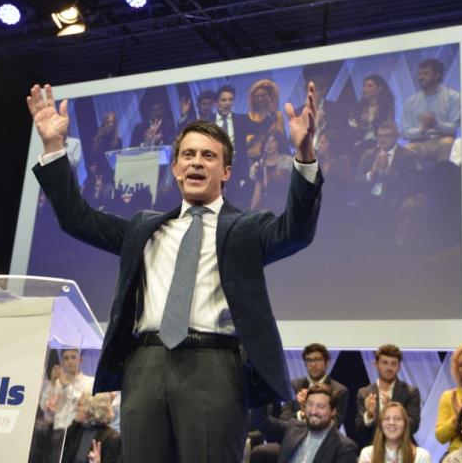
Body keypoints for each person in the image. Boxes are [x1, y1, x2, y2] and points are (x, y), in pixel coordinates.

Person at [25, 82, 323, 463]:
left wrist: (304, 153)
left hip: (214, 367)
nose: (197, 162)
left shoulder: (248, 227)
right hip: (145, 365)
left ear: (226, 170)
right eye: (188, 155)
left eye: (208, 156)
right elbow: (76, 218)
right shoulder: (144, 227)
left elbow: (296, 230)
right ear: (177, 167)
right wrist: (53, 148)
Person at [250, 384, 359, 463]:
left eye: (320, 406)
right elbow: (261, 421)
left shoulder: (344, 447)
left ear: (333, 411)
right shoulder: (293, 428)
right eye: (310, 405)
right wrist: (262, 392)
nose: (313, 411)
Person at [355, 344, 423, 448]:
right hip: (374, 448)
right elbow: (360, 431)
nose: (389, 368)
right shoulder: (364, 393)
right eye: (384, 363)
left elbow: (414, 426)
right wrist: (369, 415)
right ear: (376, 364)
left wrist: (393, 408)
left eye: (393, 364)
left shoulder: (410, 392)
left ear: (399, 367)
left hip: (403, 448)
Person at [401, 59, 460, 163]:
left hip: (443, 140)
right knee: (406, 150)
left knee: (447, 143)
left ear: (437, 75)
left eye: (426, 73)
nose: (421, 78)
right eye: (419, 74)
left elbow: (454, 126)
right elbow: (405, 132)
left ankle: (445, 177)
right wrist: (422, 130)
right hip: (419, 142)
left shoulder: (453, 96)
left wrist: (435, 124)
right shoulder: (411, 101)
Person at [359, 401, 432, 463]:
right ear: (380, 424)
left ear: (405, 425)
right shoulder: (367, 454)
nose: (391, 422)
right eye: (387, 418)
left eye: (397, 419)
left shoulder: (421, 456)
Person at [61, 393, 122, 463]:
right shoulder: (76, 427)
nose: (76, 408)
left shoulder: (112, 438)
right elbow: (57, 447)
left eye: (80, 405)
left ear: (91, 410)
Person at [249, 130, 294, 211]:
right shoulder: (257, 166)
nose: (269, 145)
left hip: (284, 203)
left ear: (278, 143)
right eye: (267, 141)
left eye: (273, 141)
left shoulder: (288, 161)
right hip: (264, 206)